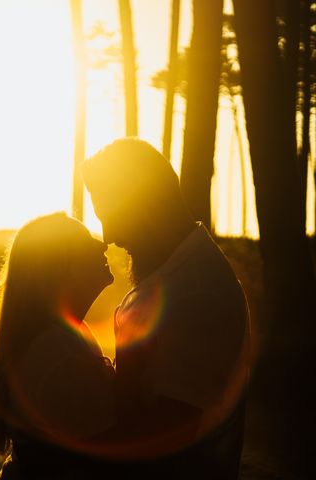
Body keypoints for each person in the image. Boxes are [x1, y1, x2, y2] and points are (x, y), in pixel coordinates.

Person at [82, 138, 250, 479]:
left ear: (148, 205)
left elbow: (170, 436)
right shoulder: (173, 273)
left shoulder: (194, 293)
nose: (109, 234)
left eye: (111, 217)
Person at [0, 212, 117, 479]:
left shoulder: (68, 335)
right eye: (87, 241)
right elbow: (108, 453)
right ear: (63, 265)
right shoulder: (58, 354)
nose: (102, 244)